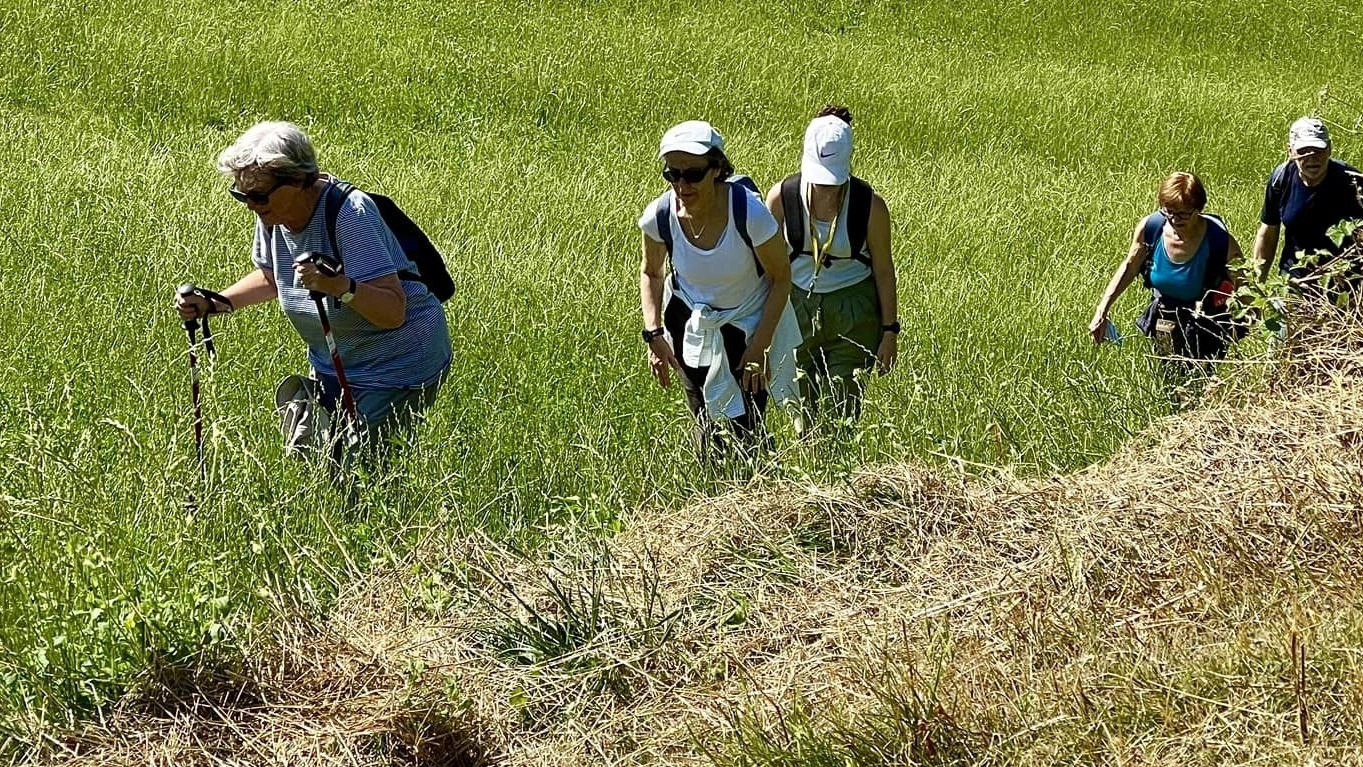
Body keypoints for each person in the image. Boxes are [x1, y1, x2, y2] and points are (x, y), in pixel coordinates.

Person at [174, 121, 451, 458]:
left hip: (397, 366)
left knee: (360, 475)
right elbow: (271, 277)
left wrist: (337, 286)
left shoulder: (350, 215)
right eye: (241, 194)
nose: (250, 203)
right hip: (335, 363)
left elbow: (393, 311)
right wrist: (215, 303)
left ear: (299, 180)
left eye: (258, 194)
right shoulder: (273, 214)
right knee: (318, 459)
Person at [637, 120, 800, 461]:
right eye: (672, 174)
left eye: (693, 174)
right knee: (703, 416)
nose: (682, 184)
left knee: (747, 421)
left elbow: (781, 277)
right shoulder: (659, 216)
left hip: (747, 325)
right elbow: (652, 272)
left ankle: (755, 486)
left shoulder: (749, 213)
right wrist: (654, 333)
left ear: (717, 169)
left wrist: (759, 347)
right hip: (689, 323)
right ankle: (713, 486)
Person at [765, 106, 898, 431]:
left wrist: (889, 332)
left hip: (853, 314)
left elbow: (883, 270)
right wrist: (761, 331)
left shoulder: (870, 206)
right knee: (801, 411)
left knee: (843, 413)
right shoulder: (782, 198)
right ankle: (813, 473)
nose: (826, 188)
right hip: (795, 311)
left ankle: (837, 472)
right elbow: (763, 268)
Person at [1089, 172, 1245, 383]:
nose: (1173, 219)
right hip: (1164, 321)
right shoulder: (1152, 228)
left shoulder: (1220, 241)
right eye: (1168, 211)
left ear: (1198, 209)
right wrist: (1102, 309)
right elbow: (1129, 267)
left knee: (1200, 386)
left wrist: (1242, 327)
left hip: (1206, 325)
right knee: (1169, 382)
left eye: (1182, 214)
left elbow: (1244, 287)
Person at [1253, 116, 1363, 293]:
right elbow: (1268, 232)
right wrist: (1258, 284)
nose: (1312, 158)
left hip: (1343, 283)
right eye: (1304, 151)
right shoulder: (1281, 179)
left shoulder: (1352, 182)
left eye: (1318, 149)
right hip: (1295, 281)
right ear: (1290, 151)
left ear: (1329, 149)